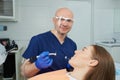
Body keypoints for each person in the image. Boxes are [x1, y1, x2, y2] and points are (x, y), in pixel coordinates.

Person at [20, 7, 77, 78]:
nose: (65, 24)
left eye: (69, 20)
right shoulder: (38, 40)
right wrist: (36, 66)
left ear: (72, 23)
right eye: (61, 19)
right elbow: (24, 73)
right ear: (54, 20)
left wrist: (71, 68)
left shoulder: (72, 45)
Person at [28, 45, 115, 80]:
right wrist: (36, 65)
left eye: (83, 50)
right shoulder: (66, 72)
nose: (76, 51)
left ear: (92, 62)